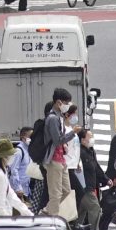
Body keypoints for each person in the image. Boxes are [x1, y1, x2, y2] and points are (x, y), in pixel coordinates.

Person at [41, 89, 78, 217]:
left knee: (66, 190)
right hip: (53, 160)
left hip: (60, 159)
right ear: (58, 102)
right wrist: (73, 133)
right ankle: (53, 220)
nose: (68, 105)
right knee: (55, 194)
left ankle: (47, 210)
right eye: (66, 103)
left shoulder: (59, 117)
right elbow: (57, 140)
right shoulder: (52, 118)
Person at [0, 138, 33, 217]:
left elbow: (12, 196)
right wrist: (7, 223)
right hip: (1, 222)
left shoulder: (2, 173)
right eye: (10, 155)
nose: (12, 157)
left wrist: (28, 214)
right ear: (3, 157)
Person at [77, 128, 109, 230]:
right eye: (89, 137)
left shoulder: (90, 151)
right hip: (84, 186)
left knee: (81, 211)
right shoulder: (79, 153)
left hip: (89, 186)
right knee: (95, 207)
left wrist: (106, 179)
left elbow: (96, 167)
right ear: (82, 140)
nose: (92, 139)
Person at [7, 126, 33, 202]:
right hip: (19, 191)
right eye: (30, 136)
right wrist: (18, 188)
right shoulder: (19, 151)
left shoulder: (28, 150)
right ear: (23, 137)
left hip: (27, 190)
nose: (32, 138)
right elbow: (13, 170)